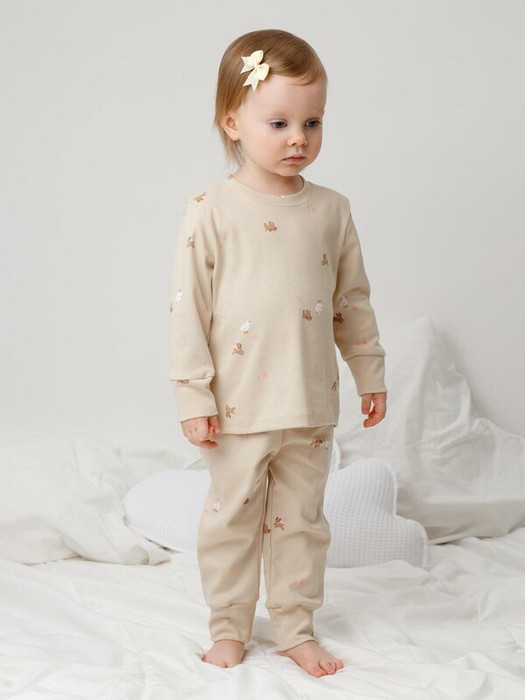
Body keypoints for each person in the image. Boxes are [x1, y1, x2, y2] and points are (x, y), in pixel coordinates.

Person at [169, 28, 388, 678]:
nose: (299, 138)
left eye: (312, 122)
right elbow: (189, 309)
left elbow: (351, 301)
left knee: (302, 523)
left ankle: (295, 628)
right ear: (232, 123)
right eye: (279, 123)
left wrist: (369, 374)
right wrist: (193, 395)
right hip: (237, 406)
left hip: (310, 402)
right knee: (231, 523)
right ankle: (228, 627)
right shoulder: (210, 209)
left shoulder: (331, 211)